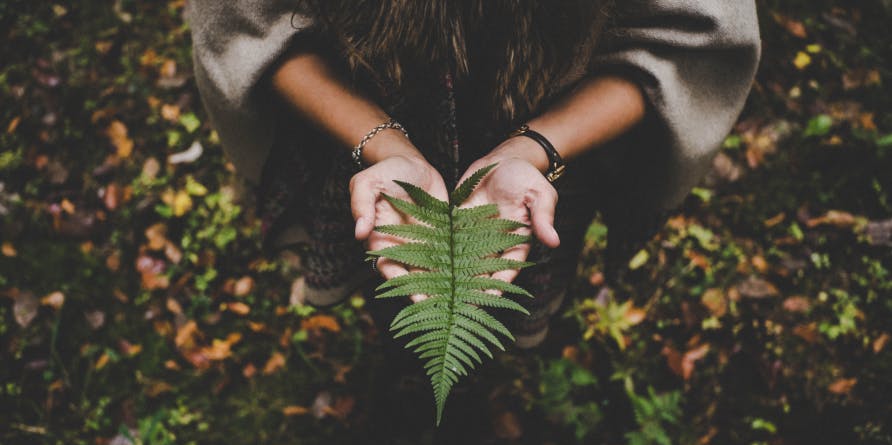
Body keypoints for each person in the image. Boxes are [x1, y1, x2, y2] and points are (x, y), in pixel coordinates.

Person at [186, 1, 761, 348]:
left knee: (514, 287)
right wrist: (386, 148)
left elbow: (687, 40)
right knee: (384, 272)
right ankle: (403, 346)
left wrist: (532, 150)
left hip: (557, 146)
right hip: (349, 122)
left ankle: (475, 359)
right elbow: (246, 24)